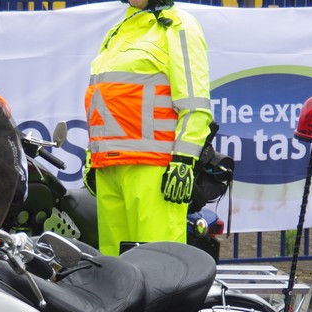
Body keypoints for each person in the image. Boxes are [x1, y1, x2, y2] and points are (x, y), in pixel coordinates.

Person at [83, 0, 214, 257]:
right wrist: (92, 155)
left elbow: (195, 104)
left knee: (157, 263)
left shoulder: (179, 27)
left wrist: (184, 160)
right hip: (109, 167)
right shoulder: (118, 31)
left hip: (154, 169)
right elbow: (103, 99)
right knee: (113, 266)